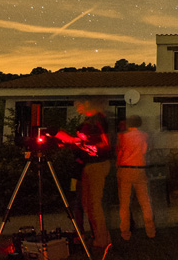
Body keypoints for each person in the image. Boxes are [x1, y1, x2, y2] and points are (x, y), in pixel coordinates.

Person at [60, 99, 112, 250]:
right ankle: (97, 237)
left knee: (94, 204)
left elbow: (104, 143)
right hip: (86, 166)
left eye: (79, 104)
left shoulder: (97, 120)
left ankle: (102, 239)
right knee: (87, 204)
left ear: (88, 104)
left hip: (96, 165)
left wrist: (87, 144)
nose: (76, 107)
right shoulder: (90, 121)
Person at [116, 115, 156, 240]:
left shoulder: (122, 136)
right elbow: (146, 151)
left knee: (124, 204)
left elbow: (119, 151)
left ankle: (125, 233)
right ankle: (150, 231)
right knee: (145, 202)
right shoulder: (145, 136)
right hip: (140, 169)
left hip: (125, 169)